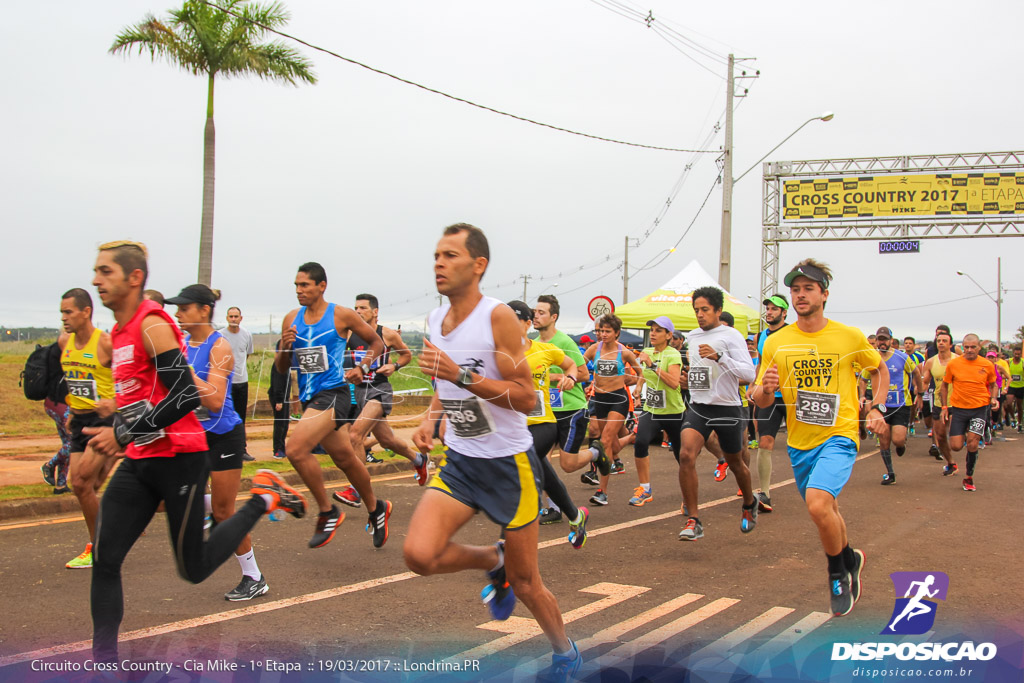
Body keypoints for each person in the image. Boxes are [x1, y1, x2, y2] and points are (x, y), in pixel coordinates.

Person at [83, 241, 305, 662]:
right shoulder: (119, 331)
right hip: (140, 460)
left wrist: (126, 433)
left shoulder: (152, 325)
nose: (96, 280)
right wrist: (116, 425)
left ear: (134, 278)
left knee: (195, 567)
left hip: (179, 457)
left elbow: (185, 395)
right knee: (106, 557)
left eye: (106, 271)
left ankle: (262, 498)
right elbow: (144, 398)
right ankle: (104, 664)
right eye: (96, 271)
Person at [404, 223, 580, 679]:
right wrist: (431, 416)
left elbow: (526, 398)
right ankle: (491, 558)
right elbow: (443, 381)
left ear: (478, 265)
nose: (439, 263)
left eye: (450, 255)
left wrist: (463, 376)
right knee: (419, 556)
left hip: (508, 464)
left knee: (526, 583)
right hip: (462, 461)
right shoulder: (432, 320)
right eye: (437, 255)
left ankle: (565, 652)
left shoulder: (496, 317)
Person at [751, 258, 888, 617]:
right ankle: (850, 558)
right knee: (828, 510)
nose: (800, 295)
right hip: (800, 442)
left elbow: (879, 369)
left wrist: (875, 407)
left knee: (816, 504)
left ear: (824, 294)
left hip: (840, 436)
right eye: (795, 289)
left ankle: (836, 574)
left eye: (808, 288)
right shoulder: (776, 342)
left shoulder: (849, 336)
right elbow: (759, 397)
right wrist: (765, 390)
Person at [274, 262, 391, 548]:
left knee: (295, 449)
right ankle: (377, 509)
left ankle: (328, 511)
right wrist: (286, 347)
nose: (299, 291)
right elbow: (280, 368)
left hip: (334, 394)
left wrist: (363, 367)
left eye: (305, 285)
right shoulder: (291, 319)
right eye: (296, 286)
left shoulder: (341, 315)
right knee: (346, 459)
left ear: (321, 286)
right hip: (310, 399)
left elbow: (377, 343)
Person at [171, 284, 270, 601]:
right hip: (192, 437)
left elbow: (214, 401)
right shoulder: (182, 346)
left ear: (203, 310)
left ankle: (254, 577)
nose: (177, 314)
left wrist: (183, 372)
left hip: (223, 435)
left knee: (225, 513)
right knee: (169, 497)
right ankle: (258, 501)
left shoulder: (220, 347)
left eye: (184, 308)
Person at [332, 293, 428, 509]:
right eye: (356, 308)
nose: (358, 312)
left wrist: (395, 366)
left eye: (363, 308)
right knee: (387, 441)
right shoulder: (349, 334)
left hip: (379, 390)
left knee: (355, 435)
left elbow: (406, 355)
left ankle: (356, 490)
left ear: (375, 311)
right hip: (359, 391)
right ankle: (419, 460)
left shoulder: (387, 334)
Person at [677, 287, 757, 541]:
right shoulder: (691, 336)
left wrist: (720, 356)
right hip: (700, 406)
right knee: (686, 454)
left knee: (736, 464)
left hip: (727, 408)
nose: (700, 315)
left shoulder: (731, 336)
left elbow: (748, 375)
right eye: (696, 310)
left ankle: (748, 502)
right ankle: (694, 519)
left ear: (718, 310)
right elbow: (701, 376)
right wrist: (688, 380)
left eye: (705, 310)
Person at [507, 300, 589, 548]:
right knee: (544, 472)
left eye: (513, 320)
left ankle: (509, 544)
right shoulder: (498, 354)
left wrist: (570, 377)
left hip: (542, 424)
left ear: (527, 324)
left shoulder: (544, 350)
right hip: (514, 427)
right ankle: (576, 516)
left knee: (522, 466)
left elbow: (572, 365)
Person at [58, 288, 117, 569]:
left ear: (86, 312)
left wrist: (115, 404)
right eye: (62, 313)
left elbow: (134, 380)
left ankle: (100, 550)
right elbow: (73, 380)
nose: (64, 318)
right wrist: (71, 408)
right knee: (86, 487)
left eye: (68, 312)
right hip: (79, 421)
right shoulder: (63, 342)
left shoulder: (105, 343)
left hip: (102, 421)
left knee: (81, 483)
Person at [532, 294, 593, 521]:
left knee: (567, 464)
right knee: (540, 459)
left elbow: (584, 373)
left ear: (553, 317)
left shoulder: (565, 342)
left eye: (541, 312)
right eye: (534, 312)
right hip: (545, 412)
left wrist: (558, 377)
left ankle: (596, 453)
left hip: (572, 409)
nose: (535, 316)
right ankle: (553, 509)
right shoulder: (533, 344)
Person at [581, 314, 643, 506]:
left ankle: (602, 492)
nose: (603, 334)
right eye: (601, 331)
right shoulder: (594, 349)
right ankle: (632, 436)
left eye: (608, 331)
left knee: (605, 440)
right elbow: (579, 366)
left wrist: (638, 389)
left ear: (617, 333)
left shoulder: (624, 352)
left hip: (618, 399)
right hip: (600, 399)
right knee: (613, 446)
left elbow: (640, 373)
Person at [629, 316, 684, 507]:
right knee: (641, 442)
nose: (653, 333)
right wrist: (638, 386)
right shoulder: (647, 351)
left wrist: (653, 365)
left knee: (681, 455)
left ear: (668, 335)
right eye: (652, 329)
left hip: (673, 412)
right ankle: (645, 488)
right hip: (651, 409)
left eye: (658, 330)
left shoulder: (673, 355)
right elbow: (644, 374)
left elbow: (674, 382)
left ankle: (688, 493)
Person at [864, 327, 923, 486]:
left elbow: (916, 373)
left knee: (897, 439)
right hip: (881, 405)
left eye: (885, 339)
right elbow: (863, 378)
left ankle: (901, 444)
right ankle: (890, 473)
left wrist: (920, 392)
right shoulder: (872, 358)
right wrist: (862, 395)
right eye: (879, 339)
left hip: (901, 404)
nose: (882, 342)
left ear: (891, 340)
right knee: (884, 440)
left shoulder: (902, 357)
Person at [940, 334, 998, 492]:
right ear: (962, 347)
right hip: (959, 410)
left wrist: (993, 399)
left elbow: (993, 385)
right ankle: (967, 432)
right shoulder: (954, 364)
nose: (970, 350)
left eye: (973, 347)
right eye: (967, 347)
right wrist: (944, 407)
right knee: (956, 446)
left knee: (972, 444)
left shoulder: (986, 365)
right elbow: (944, 386)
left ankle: (969, 477)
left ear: (979, 347)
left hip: (980, 409)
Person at [752, 294, 790, 512]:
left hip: (792, 397)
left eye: (775, 309)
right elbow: (760, 364)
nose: (769, 312)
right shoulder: (761, 336)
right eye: (767, 308)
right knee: (765, 442)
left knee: (800, 443)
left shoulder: (794, 333)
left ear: (784, 312)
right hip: (768, 396)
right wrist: (755, 387)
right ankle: (765, 493)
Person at [220, 307, 255, 461]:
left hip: (242, 381)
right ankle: (225, 450)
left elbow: (245, 355)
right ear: (227, 318)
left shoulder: (246, 335)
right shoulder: (220, 335)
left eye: (236, 316)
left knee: (240, 417)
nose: (233, 319)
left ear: (241, 318)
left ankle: (241, 449)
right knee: (225, 415)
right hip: (226, 382)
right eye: (231, 316)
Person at [922, 331, 958, 474]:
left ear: (950, 344)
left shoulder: (958, 361)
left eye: (944, 340)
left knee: (956, 438)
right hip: (938, 403)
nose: (941, 343)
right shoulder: (931, 362)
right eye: (939, 341)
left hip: (957, 403)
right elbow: (925, 382)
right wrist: (918, 395)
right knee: (941, 436)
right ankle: (951, 463)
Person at [40, 335, 72, 495]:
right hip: (61, 404)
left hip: (53, 403)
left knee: (67, 442)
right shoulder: (63, 354)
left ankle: (60, 485)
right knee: (74, 442)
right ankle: (49, 465)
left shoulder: (54, 351)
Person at [268, 339, 292, 459]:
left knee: (285, 423)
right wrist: (279, 401)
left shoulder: (286, 363)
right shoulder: (279, 364)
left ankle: (282, 447)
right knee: (280, 424)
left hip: (285, 397)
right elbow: (277, 384)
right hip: (280, 398)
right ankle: (277, 449)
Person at [1006, 344, 1024, 433]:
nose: (1017, 356)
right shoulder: (1009, 362)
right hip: (1011, 386)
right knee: (1009, 403)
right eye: (1015, 354)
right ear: (1013, 353)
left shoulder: (1023, 362)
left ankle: (1020, 424)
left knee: (1019, 406)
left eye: (1018, 354)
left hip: (1021, 386)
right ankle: (1013, 418)